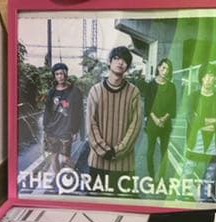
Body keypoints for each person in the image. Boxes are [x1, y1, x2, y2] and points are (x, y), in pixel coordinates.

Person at [87, 46, 142, 187]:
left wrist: (118, 150)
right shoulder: (95, 91)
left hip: (124, 165)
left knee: (123, 200)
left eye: (125, 60)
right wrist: (104, 150)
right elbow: (90, 124)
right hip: (98, 163)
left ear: (128, 66)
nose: (120, 62)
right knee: (96, 199)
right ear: (109, 62)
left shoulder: (134, 92)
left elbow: (135, 125)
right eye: (116, 58)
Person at [183, 63, 216, 200]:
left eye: (211, 76)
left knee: (210, 175)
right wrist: (211, 122)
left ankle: (203, 200)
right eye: (206, 76)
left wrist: (201, 122)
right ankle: (187, 196)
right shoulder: (193, 97)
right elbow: (190, 118)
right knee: (188, 171)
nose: (208, 79)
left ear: (215, 78)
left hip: (214, 143)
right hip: (195, 141)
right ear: (201, 78)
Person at [42, 62, 83, 174]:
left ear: (66, 74)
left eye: (62, 73)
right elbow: (47, 111)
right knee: (54, 156)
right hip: (52, 130)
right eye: (57, 74)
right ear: (54, 76)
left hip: (66, 130)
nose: (60, 76)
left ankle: (75, 176)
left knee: (65, 159)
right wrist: (46, 127)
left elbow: (78, 113)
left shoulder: (75, 91)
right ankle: (58, 179)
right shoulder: (52, 92)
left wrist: (76, 130)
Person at [142, 58, 177, 180]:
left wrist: (163, 119)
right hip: (152, 123)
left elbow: (172, 107)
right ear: (158, 68)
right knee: (150, 151)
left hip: (165, 124)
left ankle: (162, 177)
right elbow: (147, 106)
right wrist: (156, 119)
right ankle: (151, 176)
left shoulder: (171, 87)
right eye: (163, 68)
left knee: (164, 151)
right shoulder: (150, 85)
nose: (165, 71)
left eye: (168, 69)